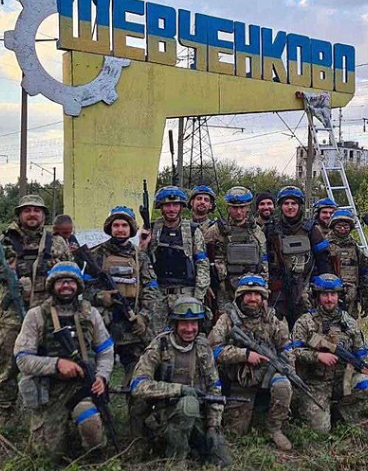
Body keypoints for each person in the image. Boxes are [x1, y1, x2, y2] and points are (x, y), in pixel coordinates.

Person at [0, 194, 72, 426]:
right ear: (19, 214)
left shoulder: (57, 242)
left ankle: (45, 411)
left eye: (37, 210)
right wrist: (5, 272)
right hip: (13, 314)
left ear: (43, 215)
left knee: (48, 360)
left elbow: (71, 273)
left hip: (47, 312)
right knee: (8, 362)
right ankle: (3, 410)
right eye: (27, 210)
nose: (33, 214)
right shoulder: (4, 242)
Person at [13, 262, 114, 458]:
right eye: (61, 282)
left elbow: (106, 351)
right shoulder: (37, 315)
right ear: (52, 285)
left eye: (70, 282)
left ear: (78, 285)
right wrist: (56, 365)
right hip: (49, 389)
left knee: (90, 424)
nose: (66, 286)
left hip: (82, 386)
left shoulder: (90, 313)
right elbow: (22, 359)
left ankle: (93, 454)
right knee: (48, 455)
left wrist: (102, 378)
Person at [86, 206, 163, 434]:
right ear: (110, 228)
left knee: (138, 373)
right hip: (104, 324)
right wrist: (101, 297)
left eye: (125, 225)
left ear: (131, 229)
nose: (120, 229)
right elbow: (81, 289)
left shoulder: (140, 256)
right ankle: (98, 423)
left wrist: (144, 317)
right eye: (116, 225)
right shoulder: (96, 254)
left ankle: (136, 426)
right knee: (97, 371)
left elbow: (151, 289)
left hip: (132, 324)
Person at [130, 297, 232, 467]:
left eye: (194, 323)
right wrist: (179, 389)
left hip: (194, 417)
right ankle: (176, 460)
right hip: (161, 416)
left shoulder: (202, 347)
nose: (189, 329)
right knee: (188, 404)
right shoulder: (159, 345)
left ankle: (192, 445)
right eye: (184, 323)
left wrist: (213, 425)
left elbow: (214, 388)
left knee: (222, 460)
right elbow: (138, 385)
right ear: (175, 324)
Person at [208, 274, 294, 451]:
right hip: (239, 381)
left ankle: (274, 429)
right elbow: (213, 350)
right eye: (248, 294)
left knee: (283, 384)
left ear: (263, 297)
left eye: (257, 294)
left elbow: (286, 348)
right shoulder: (227, 319)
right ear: (240, 296)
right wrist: (244, 354)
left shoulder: (271, 319)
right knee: (235, 433)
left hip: (267, 374)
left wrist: (288, 368)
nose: (253, 298)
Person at [290, 274, 368, 432]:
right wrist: (317, 356)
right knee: (320, 430)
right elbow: (294, 352)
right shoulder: (305, 322)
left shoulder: (349, 322)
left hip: (342, 381)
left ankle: (341, 413)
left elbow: (361, 354)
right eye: (324, 294)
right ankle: (315, 408)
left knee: (366, 382)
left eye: (333, 294)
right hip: (315, 383)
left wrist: (362, 367)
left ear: (339, 296)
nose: (329, 299)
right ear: (317, 296)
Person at [142, 186, 210, 334]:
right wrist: (143, 244)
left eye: (175, 205)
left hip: (186, 293)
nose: (171, 209)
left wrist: (198, 298)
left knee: (186, 336)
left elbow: (202, 265)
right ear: (161, 207)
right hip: (158, 294)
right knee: (155, 338)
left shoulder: (192, 230)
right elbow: (142, 262)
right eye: (167, 205)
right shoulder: (152, 229)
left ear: (181, 207)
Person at [266, 186, 331, 327]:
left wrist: (322, 288)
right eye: (286, 203)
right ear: (280, 206)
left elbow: (323, 261)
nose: (290, 207)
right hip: (278, 291)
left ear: (300, 206)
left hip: (304, 289)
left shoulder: (312, 230)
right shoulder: (271, 228)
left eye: (294, 203)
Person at [204, 186, 268, 309]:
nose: (238, 212)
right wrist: (207, 286)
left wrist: (264, 292)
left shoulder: (257, 232)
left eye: (242, 207)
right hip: (223, 290)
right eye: (234, 208)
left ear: (248, 208)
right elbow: (204, 262)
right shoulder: (215, 231)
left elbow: (263, 264)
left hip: (251, 290)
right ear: (228, 208)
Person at [326, 209, 368, 319]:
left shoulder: (354, 246)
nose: (342, 229)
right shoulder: (325, 244)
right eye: (339, 226)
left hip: (352, 296)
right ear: (333, 226)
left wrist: (365, 297)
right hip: (330, 296)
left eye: (346, 226)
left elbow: (364, 271)